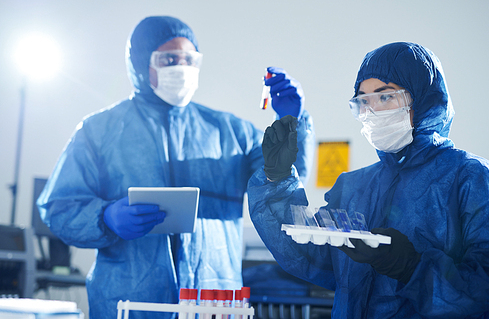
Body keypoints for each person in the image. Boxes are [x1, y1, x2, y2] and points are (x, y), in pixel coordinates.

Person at [37, 16, 315, 319]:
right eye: (169, 59)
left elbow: (282, 183)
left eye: (188, 59)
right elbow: (58, 207)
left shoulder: (231, 132)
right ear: (143, 63)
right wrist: (104, 217)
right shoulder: (98, 131)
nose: (181, 68)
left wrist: (291, 124)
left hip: (213, 302)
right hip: (132, 304)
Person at [248, 42, 489, 317]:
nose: (372, 111)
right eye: (363, 101)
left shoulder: (472, 178)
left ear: (423, 99)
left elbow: (487, 290)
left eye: (385, 96)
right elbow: (310, 255)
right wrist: (277, 178)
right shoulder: (354, 187)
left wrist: (412, 267)